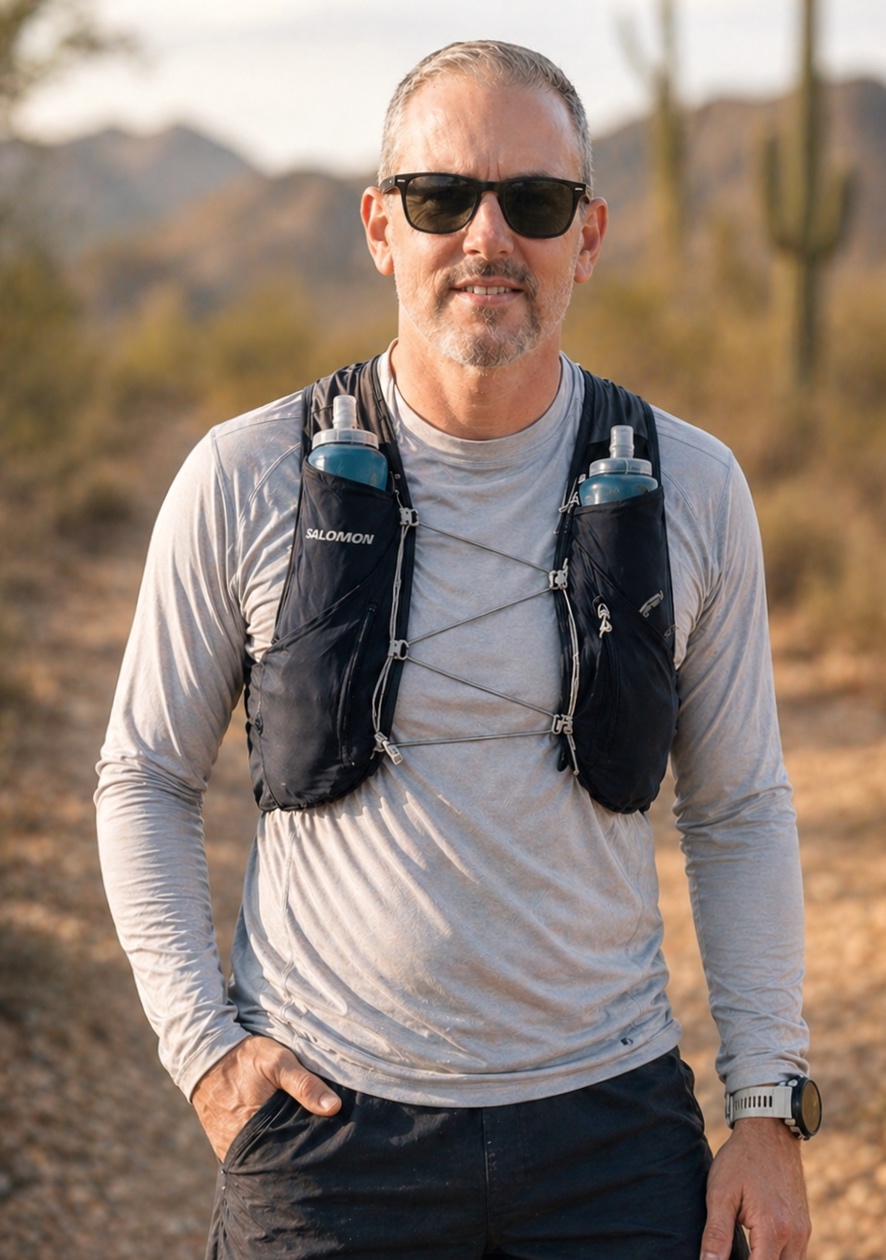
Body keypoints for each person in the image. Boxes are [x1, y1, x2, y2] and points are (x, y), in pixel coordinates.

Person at [96, 39, 815, 1260]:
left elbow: (738, 803)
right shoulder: (244, 474)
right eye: (443, 198)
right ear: (382, 227)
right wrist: (208, 1056)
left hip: (611, 1124)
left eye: (533, 202)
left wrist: (764, 1108)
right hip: (325, 1132)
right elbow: (144, 777)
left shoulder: (692, 485)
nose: (488, 237)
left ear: (585, 237)